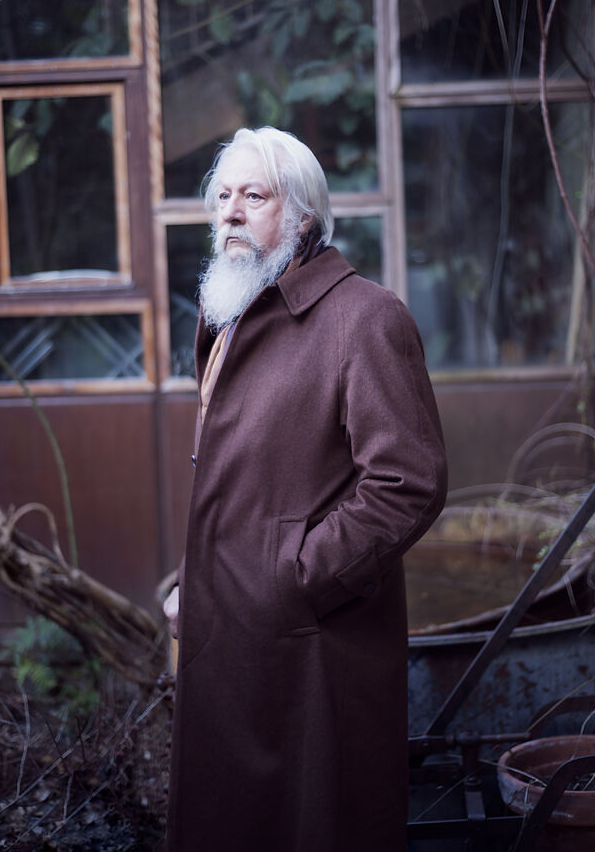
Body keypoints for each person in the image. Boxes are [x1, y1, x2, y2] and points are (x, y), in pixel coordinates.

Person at [161, 126, 447, 852]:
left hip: (311, 652)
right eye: (222, 197)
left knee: (310, 825)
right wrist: (195, 580)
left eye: (253, 196)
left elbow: (406, 483)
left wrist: (290, 579)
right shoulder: (228, 314)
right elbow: (237, 480)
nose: (230, 212)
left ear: (304, 218)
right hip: (224, 635)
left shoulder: (365, 317)